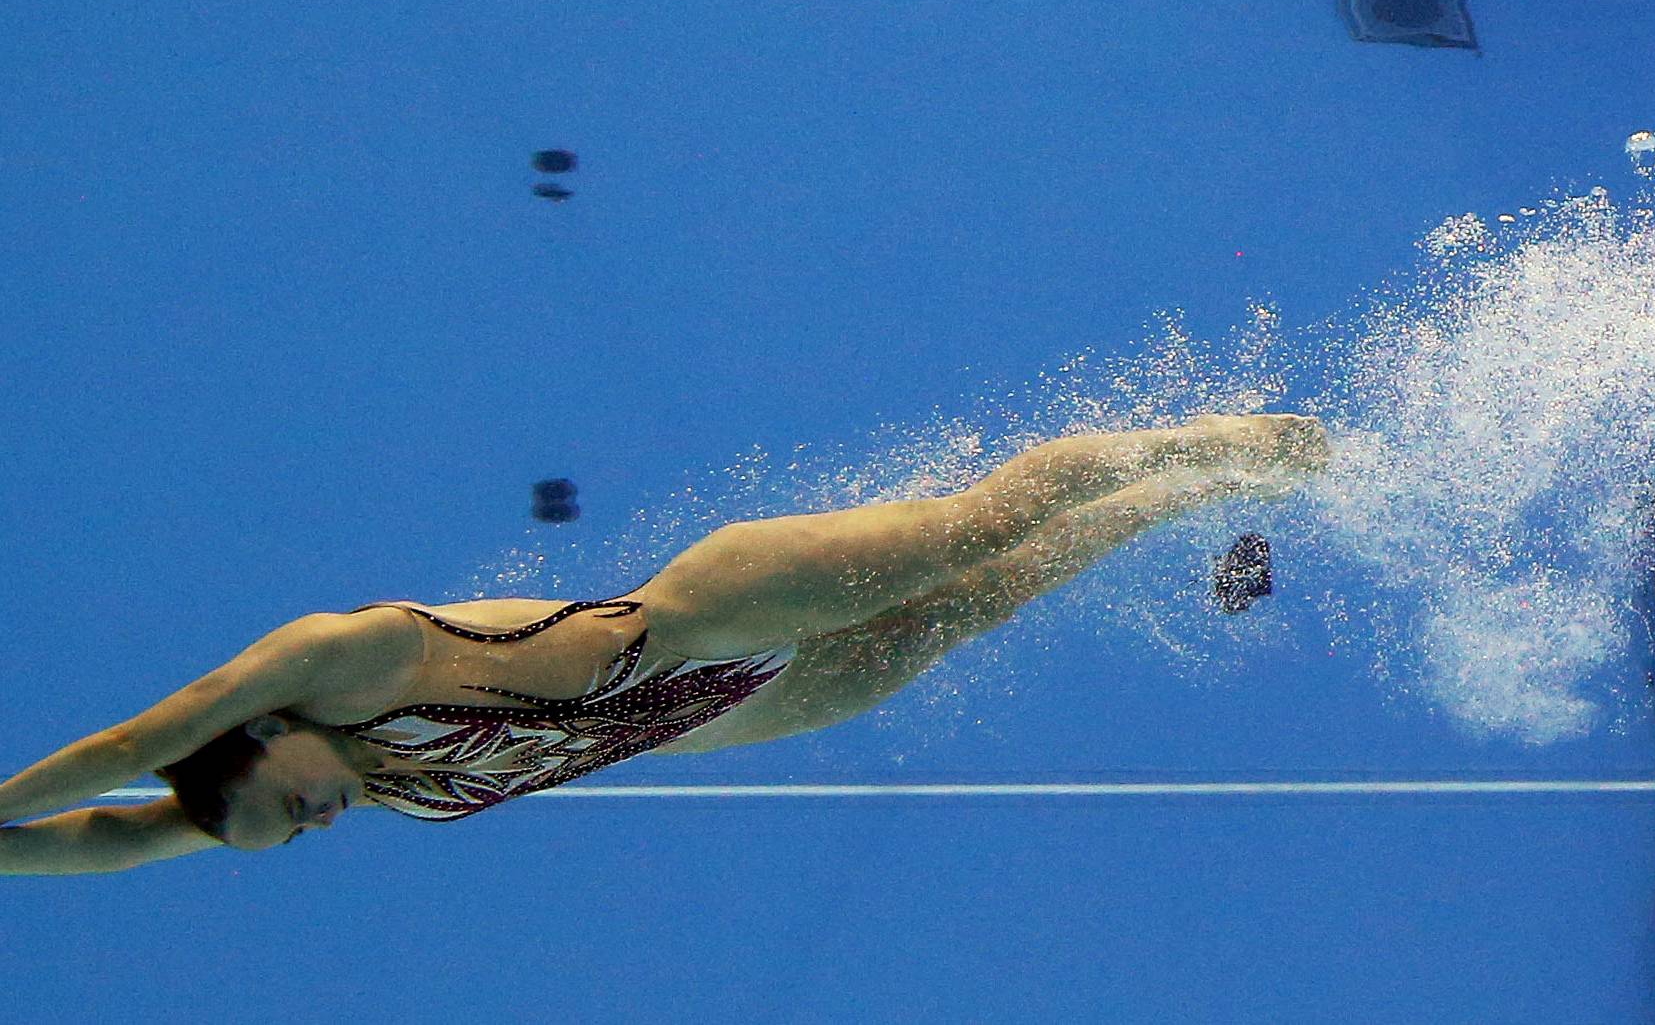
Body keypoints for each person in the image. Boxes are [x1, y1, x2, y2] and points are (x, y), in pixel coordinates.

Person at [0, 410, 1325, 871]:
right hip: (730, 709)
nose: (312, 829)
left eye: (285, 812)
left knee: (973, 534)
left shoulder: (335, 666)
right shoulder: (338, 783)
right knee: (982, 604)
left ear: (267, 741)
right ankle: (1191, 497)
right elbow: (115, 831)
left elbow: (136, 746)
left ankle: (1191, 441)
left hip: (706, 617)